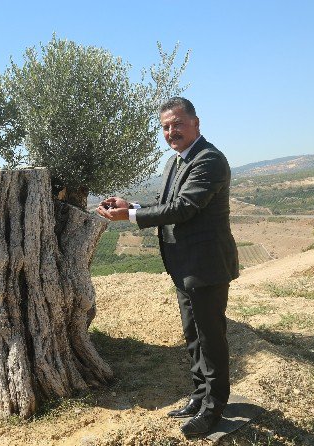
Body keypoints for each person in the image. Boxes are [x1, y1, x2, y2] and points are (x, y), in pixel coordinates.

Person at [96, 97, 239, 437]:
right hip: (183, 265)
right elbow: (166, 205)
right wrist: (131, 205)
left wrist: (128, 217)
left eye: (177, 124)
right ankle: (199, 395)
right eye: (165, 127)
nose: (171, 131)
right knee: (193, 336)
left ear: (196, 123)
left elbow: (185, 208)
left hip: (206, 267)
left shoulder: (209, 160)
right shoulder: (174, 162)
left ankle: (214, 407)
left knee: (211, 338)